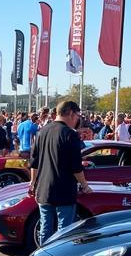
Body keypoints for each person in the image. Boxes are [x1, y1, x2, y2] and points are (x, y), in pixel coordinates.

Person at [29, 99, 91, 246]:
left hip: (43, 188)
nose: (77, 120)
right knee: (64, 230)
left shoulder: (41, 132)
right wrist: (85, 185)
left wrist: (33, 183)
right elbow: (76, 166)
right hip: (63, 189)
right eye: (77, 116)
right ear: (70, 113)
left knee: (45, 228)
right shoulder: (69, 134)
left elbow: (34, 163)